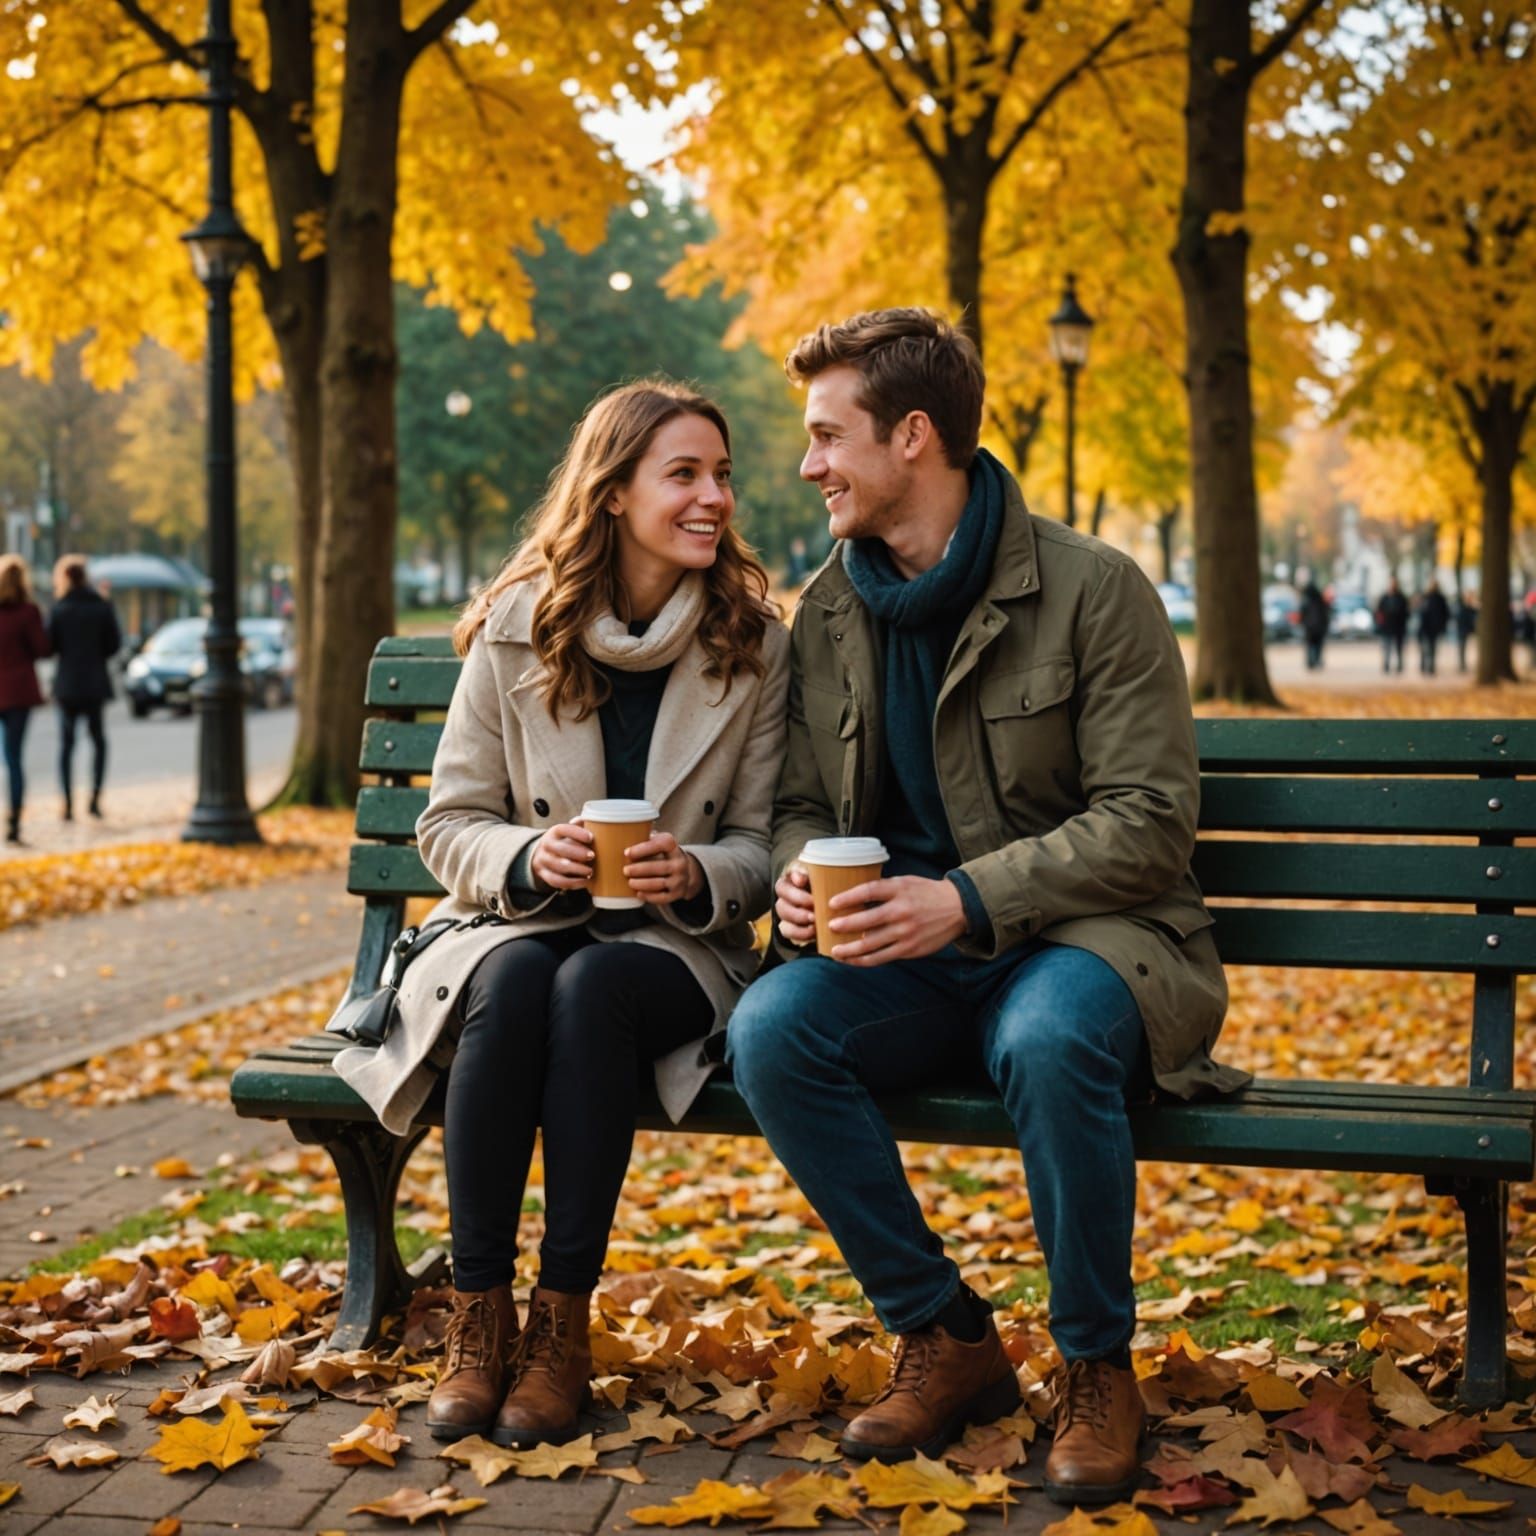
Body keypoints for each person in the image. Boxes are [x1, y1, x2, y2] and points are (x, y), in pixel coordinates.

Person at [726, 309, 1243, 1504]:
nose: (806, 467)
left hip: (1089, 945)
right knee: (770, 1032)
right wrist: (802, 872)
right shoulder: (833, 613)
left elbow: (1150, 820)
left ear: (914, 437)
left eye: (826, 437)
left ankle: (1095, 1365)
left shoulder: (1095, 589)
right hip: (903, 956)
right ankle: (947, 1335)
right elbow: (801, 797)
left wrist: (963, 899)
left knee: (1049, 1038)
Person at [335, 380, 788, 1449]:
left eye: (721, 475)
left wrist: (704, 876)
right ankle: (480, 1319)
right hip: (521, 927)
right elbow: (448, 825)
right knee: (520, 977)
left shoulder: (751, 642)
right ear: (614, 491)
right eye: (684, 474)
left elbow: (769, 842)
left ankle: (562, 1326)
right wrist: (533, 855)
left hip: (676, 949)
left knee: (591, 984)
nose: (713, 497)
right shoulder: (517, 627)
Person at [47, 554, 122, 821]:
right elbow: (114, 645)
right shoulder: (101, 607)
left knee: (66, 746)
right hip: (94, 684)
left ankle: (67, 802)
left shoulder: (59, 609)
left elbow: (49, 646)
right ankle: (95, 798)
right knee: (98, 741)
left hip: (67, 685)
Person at [0, 555, 50, 846]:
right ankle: (14, 820)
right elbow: (42, 649)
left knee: (10, 758)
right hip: (18, 692)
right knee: (14, 758)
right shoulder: (29, 612)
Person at [1416, 579, 1450, 677]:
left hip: (1435, 628)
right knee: (1425, 648)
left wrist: (1442, 625)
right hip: (1425, 628)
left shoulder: (1440, 598)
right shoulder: (1425, 597)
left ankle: (1431, 667)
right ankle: (1424, 666)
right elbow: (1421, 613)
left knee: (1432, 648)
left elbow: (1446, 614)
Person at [1375, 577, 1408, 674]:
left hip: (1398, 628)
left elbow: (1406, 612)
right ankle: (1386, 665)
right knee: (1386, 648)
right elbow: (1379, 612)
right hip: (1386, 628)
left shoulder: (1401, 598)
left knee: (1399, 649)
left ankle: (1399, 666)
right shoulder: (1384, 598)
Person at [1298, 576, 1330, 671]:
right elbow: (1325, 614)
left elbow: (1302, 614)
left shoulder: (1306, 601)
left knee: (1310, 645)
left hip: (1310, 627)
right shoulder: (1320, 601)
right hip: (1319, 628)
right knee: (1318, 646)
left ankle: (1311, 662)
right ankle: (1316, 661)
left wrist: (1303, 623)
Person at [1455, 587, 1478, 674]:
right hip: (1462, 630)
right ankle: (1462, 665)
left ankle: (1464, 665)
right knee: (1462, 648)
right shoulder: (1462, 607)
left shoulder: (1472, 608)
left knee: (1465, 648)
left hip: (1469, 630)